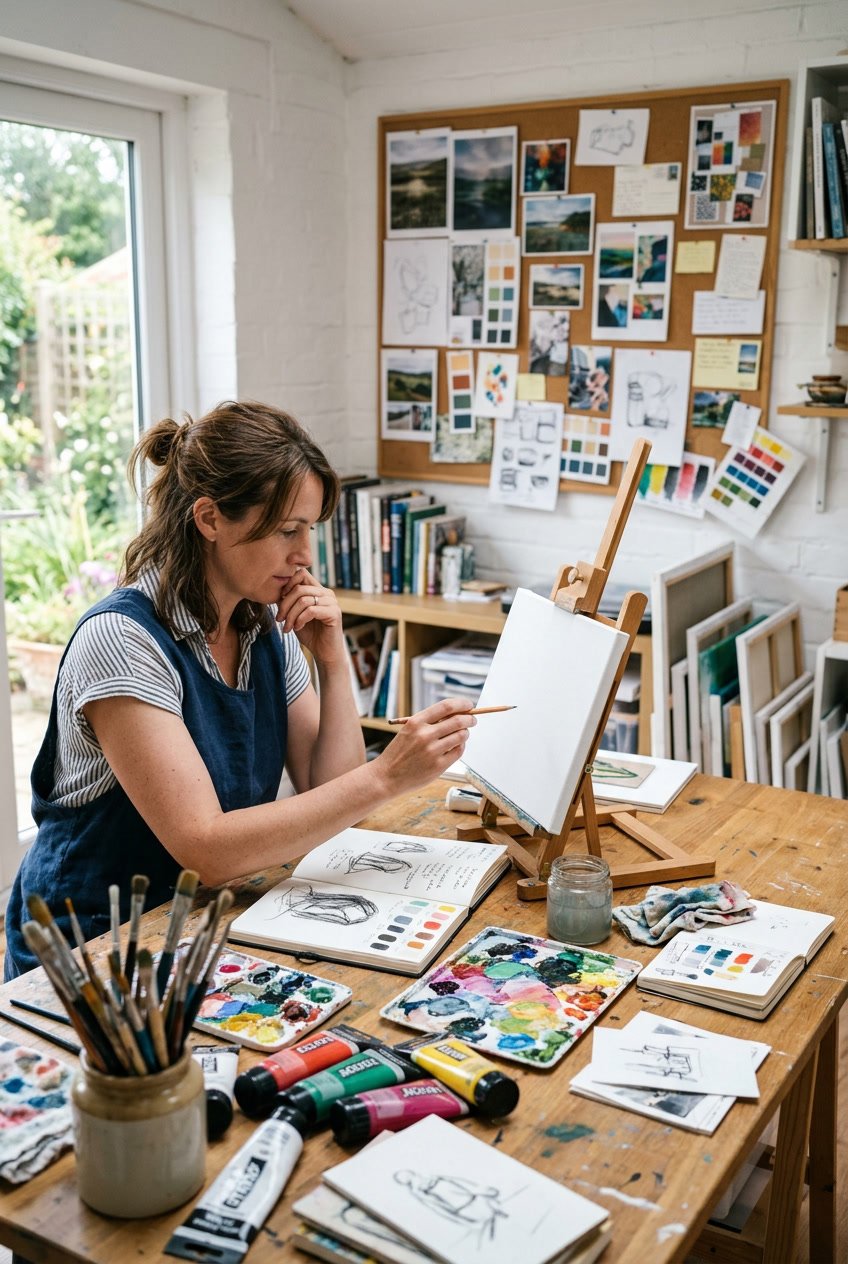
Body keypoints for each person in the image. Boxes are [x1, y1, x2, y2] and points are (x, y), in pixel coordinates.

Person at [4, 401, 475, 979]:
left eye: (310, 529)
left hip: (198, 928)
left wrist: (332, 661)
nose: (305, 556)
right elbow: (206, 850)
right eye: (287, 530)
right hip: (91, 950)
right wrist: (388, 775)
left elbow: (333, 796)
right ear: (209, 519)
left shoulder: (264, 627)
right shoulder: (123, 641)